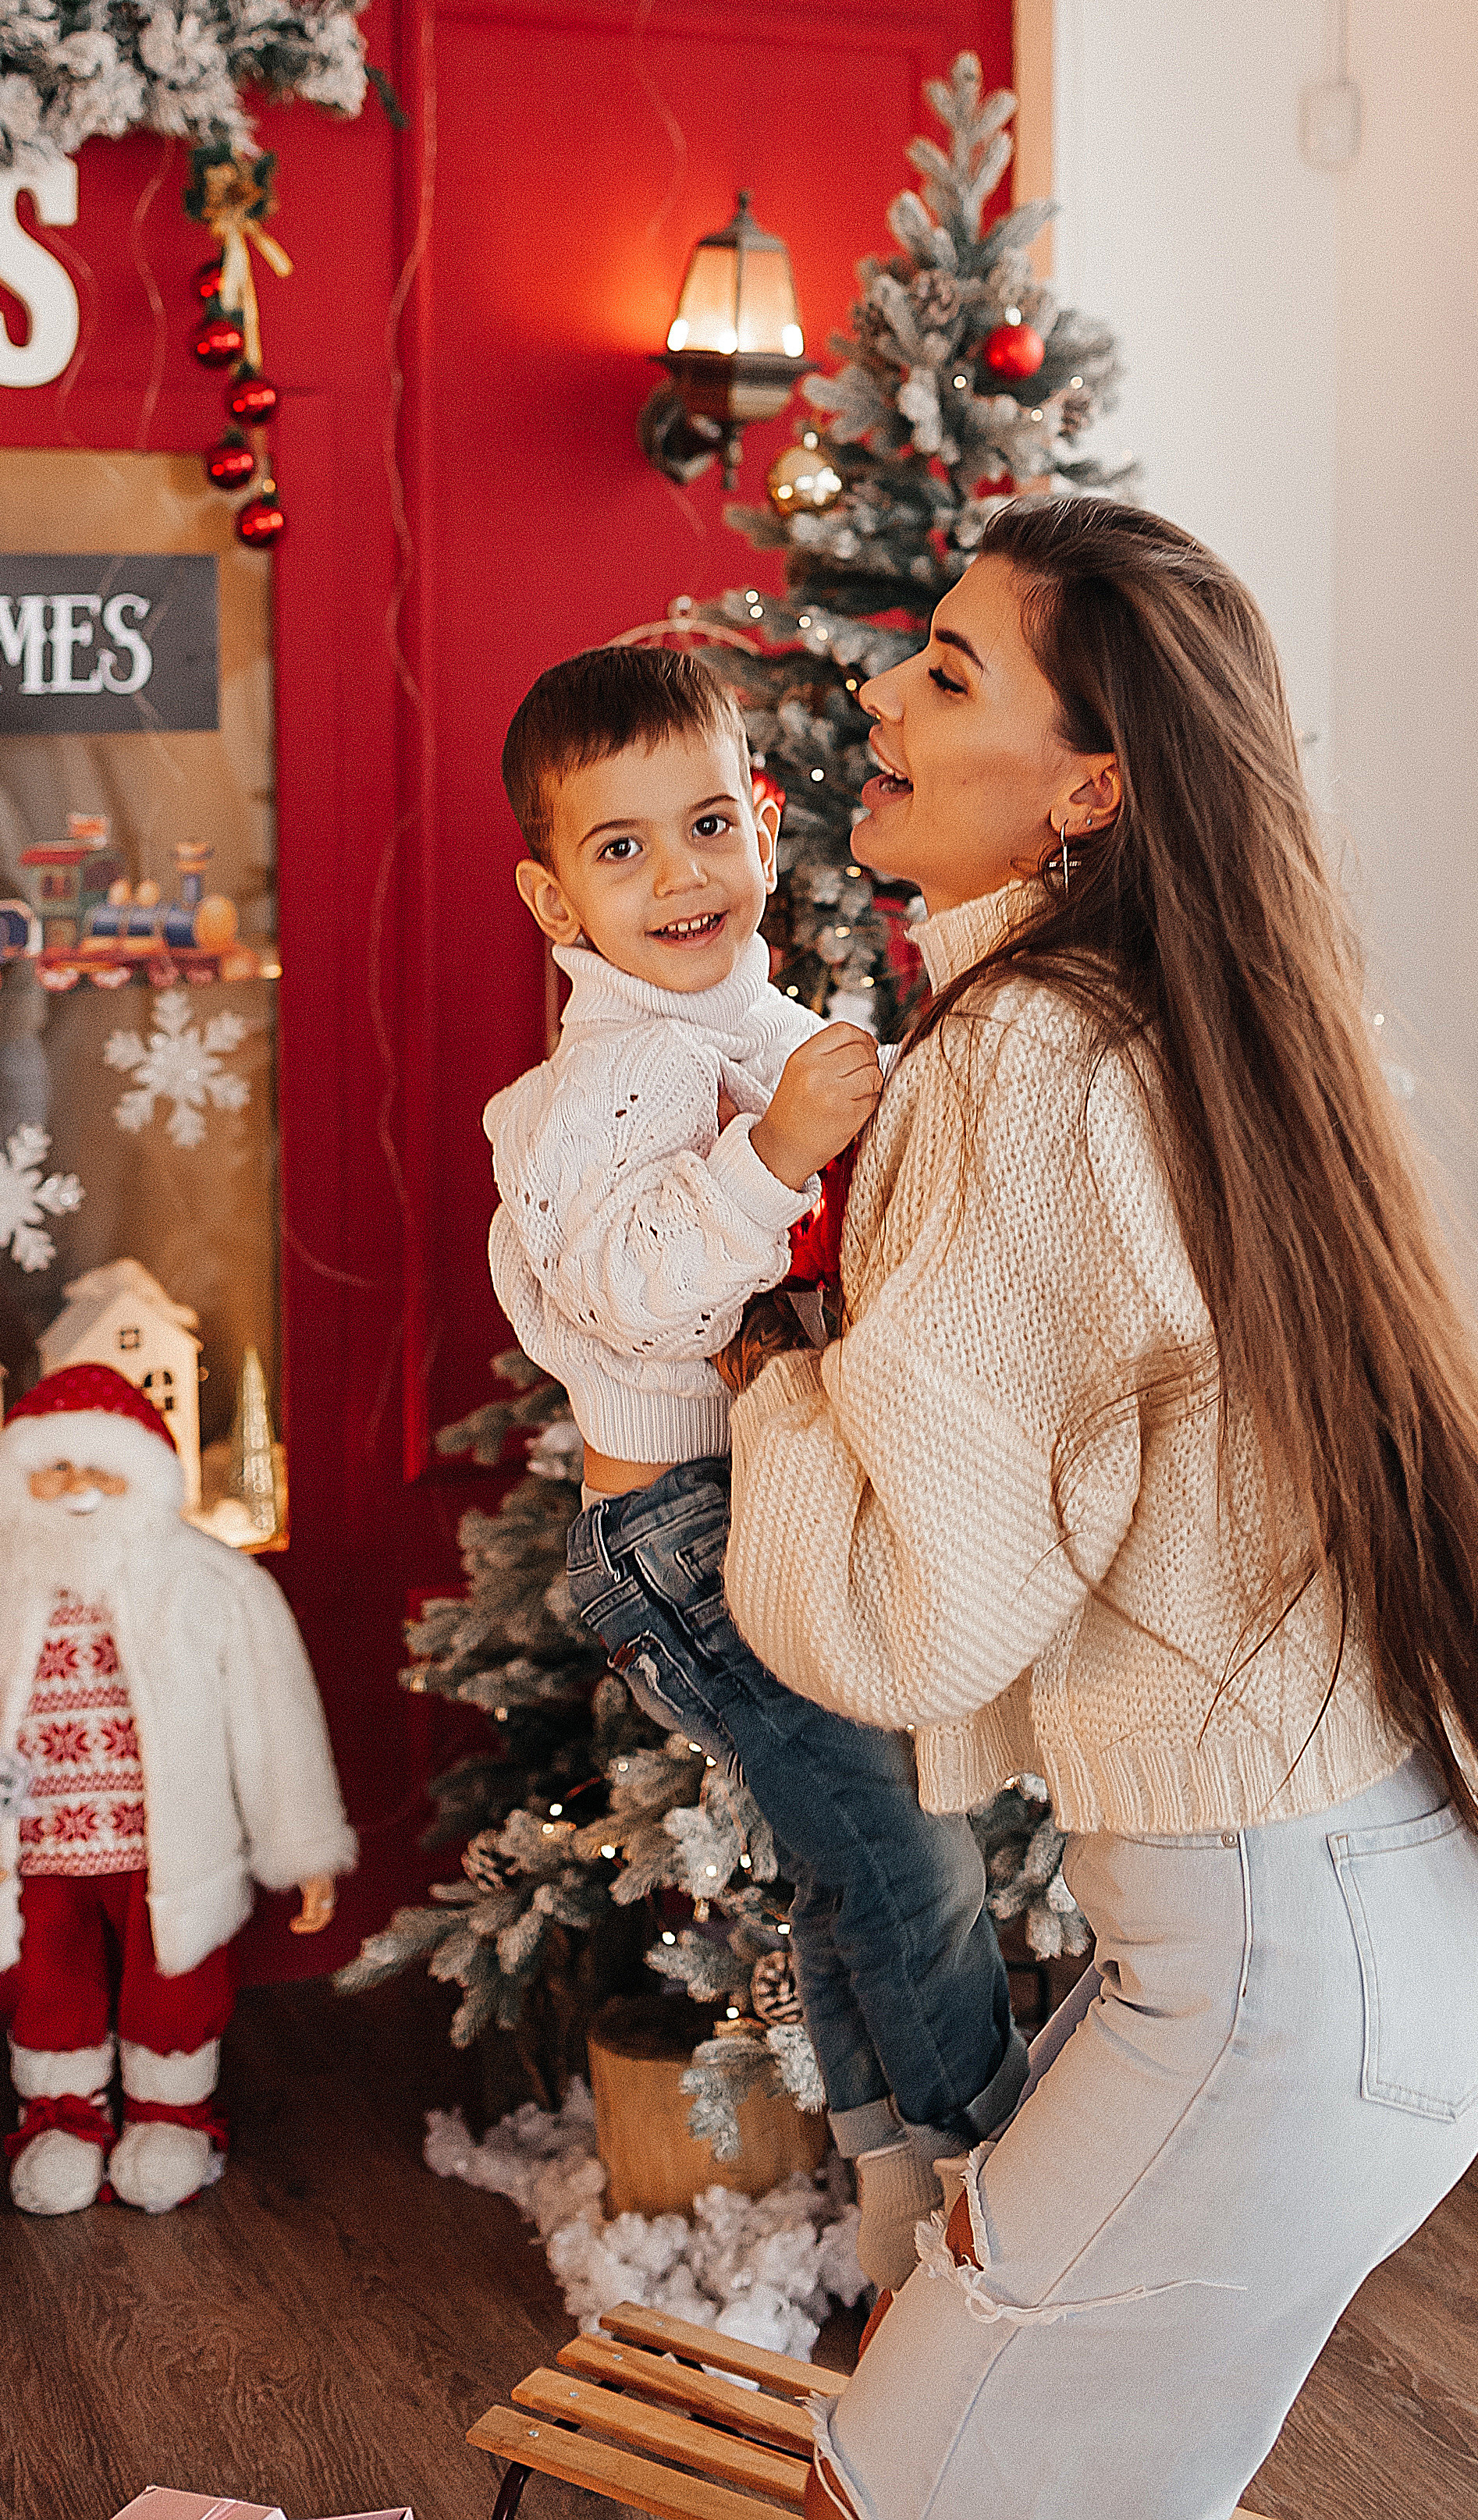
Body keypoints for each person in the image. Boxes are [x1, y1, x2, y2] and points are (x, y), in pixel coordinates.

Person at [723, 493, 1478, 2520]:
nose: (874, 683)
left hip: (1262, 1970)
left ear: (1089, 785)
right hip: (1358, 1927)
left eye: (946, 667)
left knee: (891, 2489)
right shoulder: (1171, 1034)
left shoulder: (1035, 1056)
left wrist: (756, 1391)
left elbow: (903, 1615)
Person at [487, 644, 1026, 2285]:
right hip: (676, 1526)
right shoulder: (612, 1073)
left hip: (758, 1497)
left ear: (767, 826)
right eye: (621, 848)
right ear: (554, 900)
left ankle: (886, 2193)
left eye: (707, 823)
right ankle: (982, 2185)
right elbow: (628, 1286)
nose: (679, 876)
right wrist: (774, 1148)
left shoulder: (756, 1019)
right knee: (908, 1855)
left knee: (851, 1862)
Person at [0, 1362, 354, 2217]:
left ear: (144, 1479)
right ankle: (62, 2115)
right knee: (45, 1976)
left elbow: (271, 1712)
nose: (79, 1491)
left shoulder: (213, 1585)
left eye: (103, 1471)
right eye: (55, 1471)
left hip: (171, 1843)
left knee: (175, 1974)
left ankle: (172, 2112)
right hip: (32, 1844)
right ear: (18, 1479)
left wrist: (300, 1842)